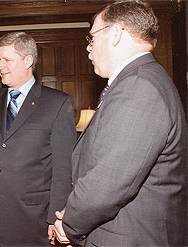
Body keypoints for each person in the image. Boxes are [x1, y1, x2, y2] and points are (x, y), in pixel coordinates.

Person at [52, 1, 187, 246]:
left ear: (114, 34)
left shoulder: (138, 87)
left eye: (91, 37)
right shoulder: (142, 79)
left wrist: (70, 224)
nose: (88, 49)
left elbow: (107, 183)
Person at [0, 31, 77, 246]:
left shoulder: (57, 103)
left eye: (7, 60)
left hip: (32, 223)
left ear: (27, 60)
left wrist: (55, 218)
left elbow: (63, 167)